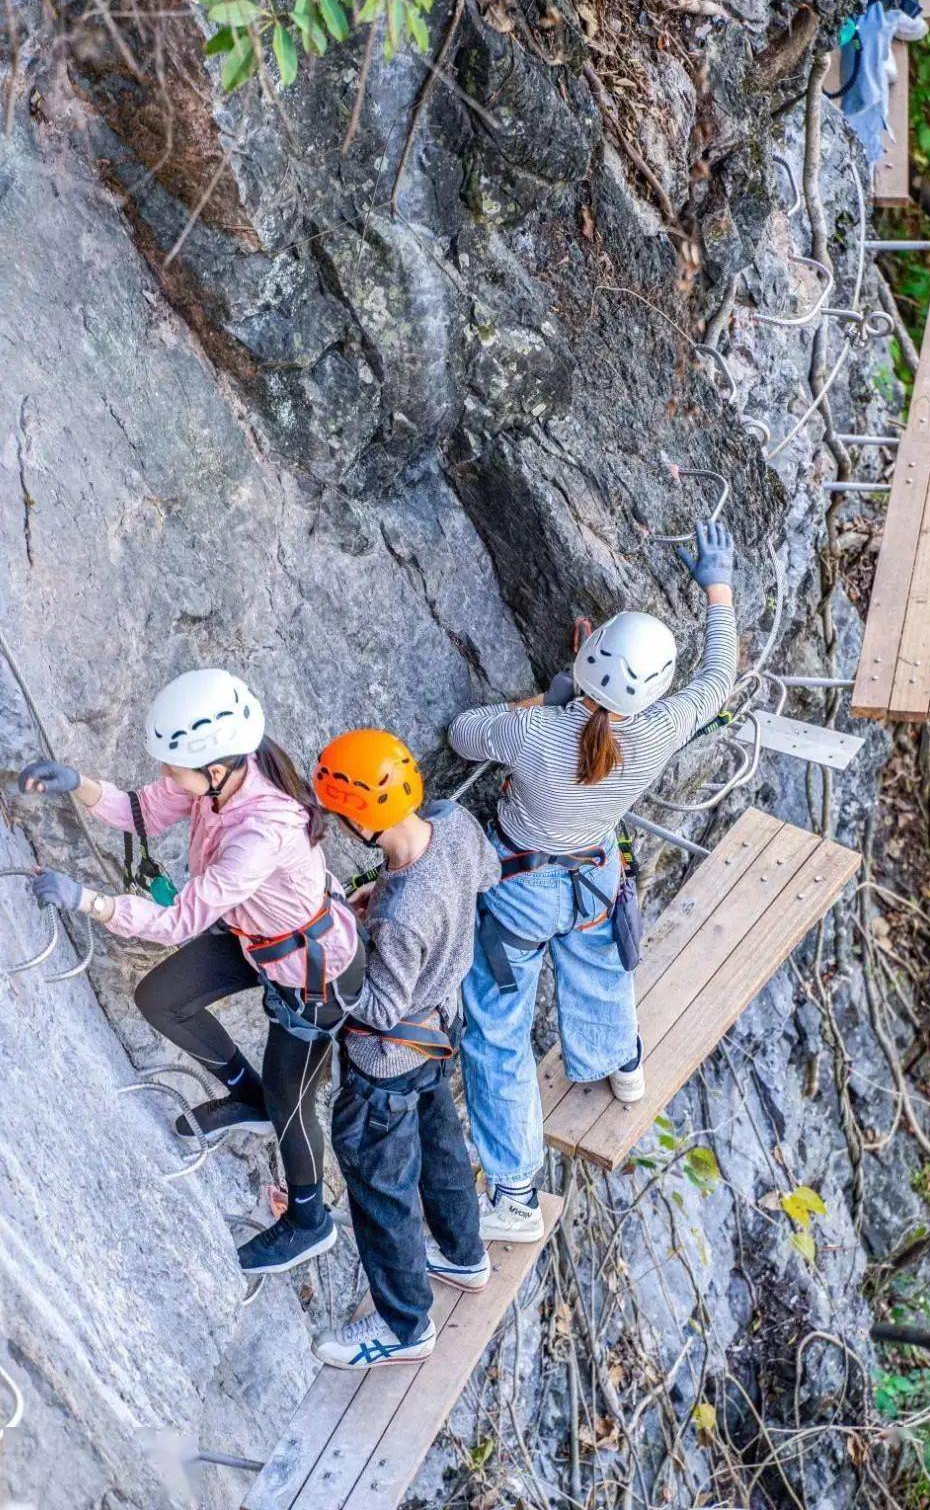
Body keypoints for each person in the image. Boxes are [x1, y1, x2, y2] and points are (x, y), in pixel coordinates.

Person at [19, 668, 364, 1276]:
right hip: (258, 938)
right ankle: (245, 1094)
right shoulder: (216, 779)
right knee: (161, 998)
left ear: (214, 767)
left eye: (173, 766)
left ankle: (310, 1222)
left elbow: (179, 921)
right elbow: (142, 810)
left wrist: (88, 900)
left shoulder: (261, 827)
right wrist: (80, 785)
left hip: (315, 975)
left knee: (293, 1106)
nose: (165, 775)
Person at [449, 520, 738, 1243]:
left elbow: (462, 733)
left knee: (496, 1034)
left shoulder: (532, 734)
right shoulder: (664, 728)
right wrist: (717, 587)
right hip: (592, 876)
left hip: (517, 889)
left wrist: (542, 706)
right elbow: (719, 676)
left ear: (587, 653)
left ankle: (516, 1196)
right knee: (597, 967)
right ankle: (619, 1064)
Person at [310, 729, 500, 1370]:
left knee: (382, 1189)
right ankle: (464, 1254)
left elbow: (379, 1010)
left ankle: (404, 1326)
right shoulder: (454, 822)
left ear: (358, 820)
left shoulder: (397, 913)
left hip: (384, 1067)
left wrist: (334, 954)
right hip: (439, 1034)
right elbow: (487, 875)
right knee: (443, 1149)